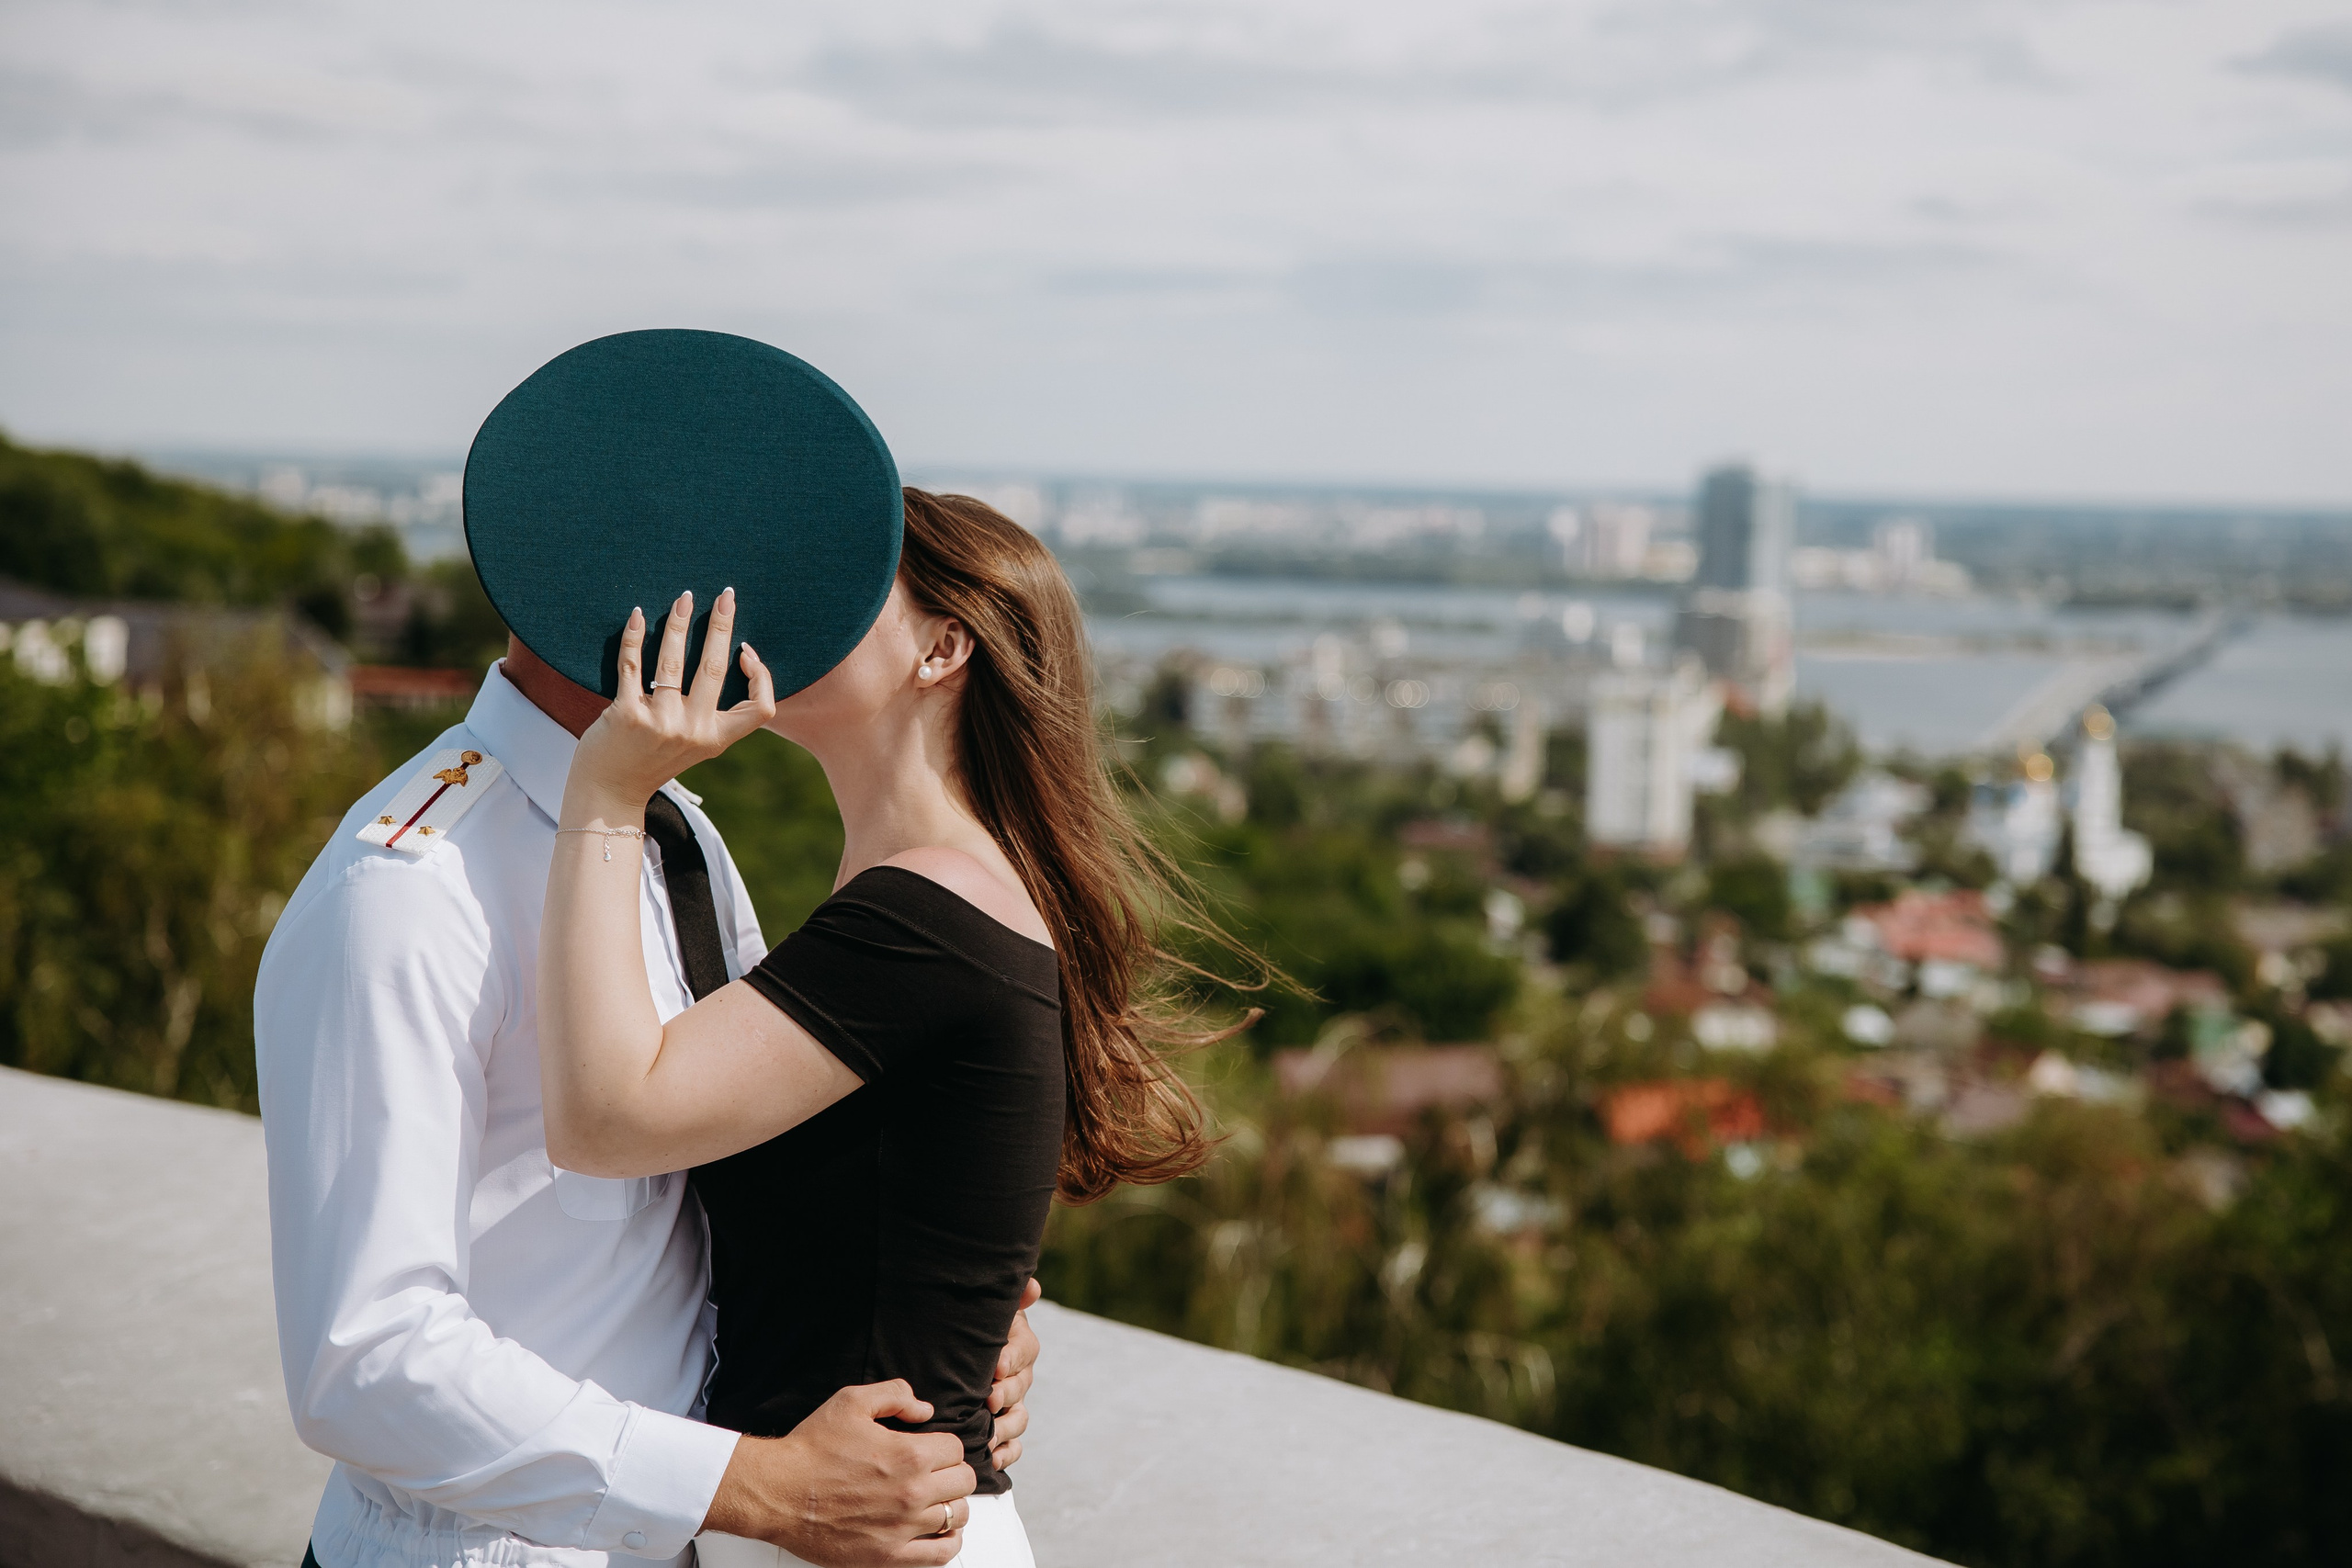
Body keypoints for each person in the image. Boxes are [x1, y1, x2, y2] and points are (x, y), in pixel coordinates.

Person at [535, 491, 1254, 1568]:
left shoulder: (926, 915)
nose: (795, 609)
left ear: (943, 648)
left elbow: (604, 1120)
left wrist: (604, 790)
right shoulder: (937, 898)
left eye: (851, 586)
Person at [253, 622, 1039, 1568]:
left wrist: (943, 1326)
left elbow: (739, 1185)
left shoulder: (680, 834)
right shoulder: (409, 887)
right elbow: (365, 1360)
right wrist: (751, 1486)